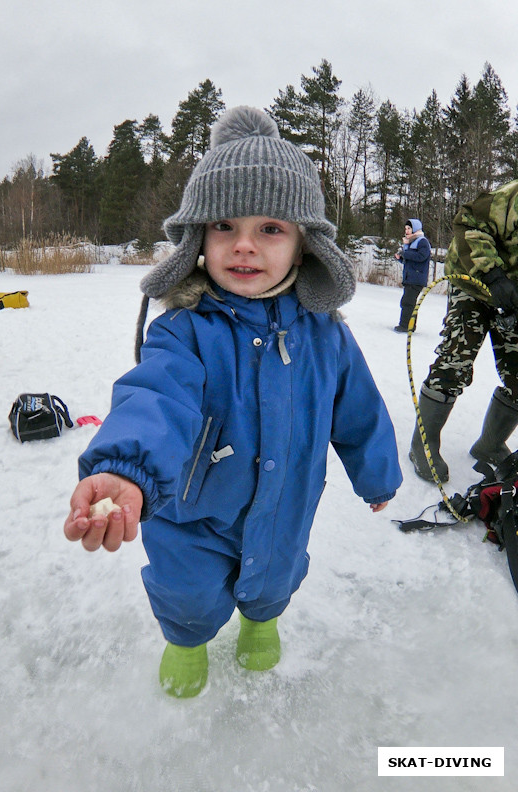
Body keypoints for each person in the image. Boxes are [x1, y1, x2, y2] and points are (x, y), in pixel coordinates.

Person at [64, 106, 403, 698]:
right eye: (224, 226)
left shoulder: (327, 334)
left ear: (304, 246)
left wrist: (376, 474)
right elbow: (157, 396)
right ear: (199, 236)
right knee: (186, 590)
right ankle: (187, 640)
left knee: (276, 574)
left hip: (287, 501)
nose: (243, 246)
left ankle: (261, 620)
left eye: (270, 229)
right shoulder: (184, 329)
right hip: (192, 507)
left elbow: (359, 410)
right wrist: (126, 467)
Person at [409, 180, 518, 483]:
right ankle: (423, 445)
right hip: (473, 281)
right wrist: (493, 275)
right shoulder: (513, 197)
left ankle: (490, 445)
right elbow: (470, 221)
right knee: (455, 360)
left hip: (514, 300)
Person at [393, 219, 431, 332]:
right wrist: (400, 258)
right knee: (408, 302)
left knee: (408, 302)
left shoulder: (422, 242)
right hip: (410, 278)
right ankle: (409, 326)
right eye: (405, 229)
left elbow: (421, 256)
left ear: (415, 229)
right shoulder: (409, 243)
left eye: (409, 228)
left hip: (417, 278)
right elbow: (409, 261)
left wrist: (405, 254)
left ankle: (405, 326)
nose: (407, 231)